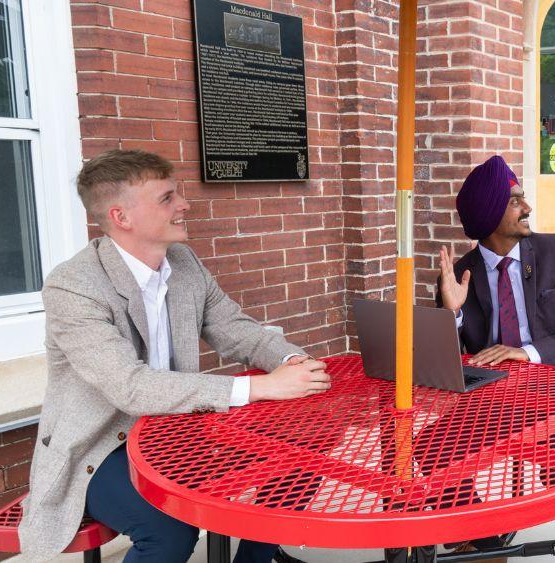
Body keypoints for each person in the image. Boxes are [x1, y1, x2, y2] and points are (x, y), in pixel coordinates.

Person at [17, 150, 331, 562]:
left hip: (180, 434)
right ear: (121, 216)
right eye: (167, 198)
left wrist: (291, 362)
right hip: (101, 448)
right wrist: (261, 387)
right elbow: (131, 387)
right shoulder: (73, 287)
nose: (184, 204)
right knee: (168, 532)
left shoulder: (183, 263)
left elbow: (236, 330)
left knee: (304, 458)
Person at [435, 155, 555, 563]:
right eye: (515, 200)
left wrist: (528, 353)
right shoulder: (460, 274)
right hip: (496, 399)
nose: (527, 208)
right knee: (430, 449)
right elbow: (447, 364)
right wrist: (452, 314)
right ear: (489, 213)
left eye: (524, 198)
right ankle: (485, 541)